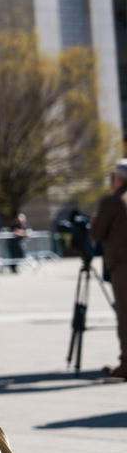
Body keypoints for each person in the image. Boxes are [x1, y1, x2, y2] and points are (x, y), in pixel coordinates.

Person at [90, 160, 127, 380]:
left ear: (117, 179)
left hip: (123, 266)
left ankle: (126, 364)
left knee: (125, 315)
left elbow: (96, 232)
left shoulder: (113, 202)